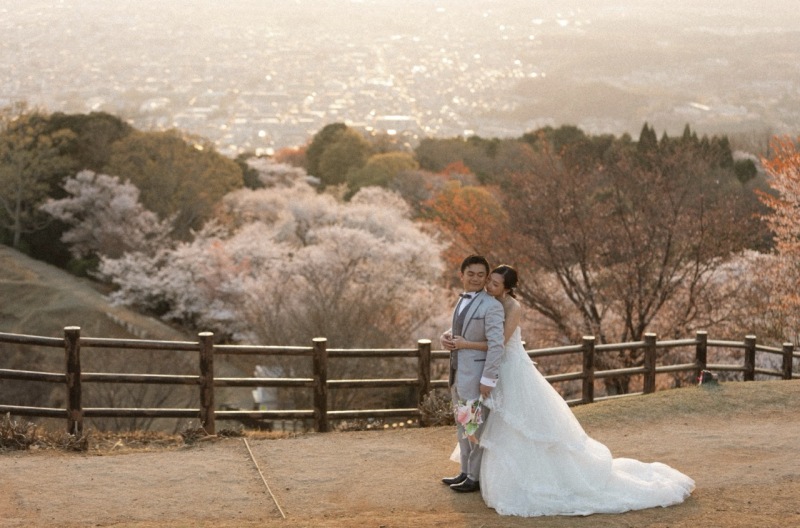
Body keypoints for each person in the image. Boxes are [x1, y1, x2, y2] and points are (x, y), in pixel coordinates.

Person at [451, 264, 695, 516]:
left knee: (519, 422)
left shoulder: (512, 307)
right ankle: (472, 472)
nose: (488, 285)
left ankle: (523, 479)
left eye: (494, 283)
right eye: (488, 280)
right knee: (485, 420)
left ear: (508, 288)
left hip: (511, 369)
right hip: (491, 369)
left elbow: (498, 343)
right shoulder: (486, 301)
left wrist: (465, 344)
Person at [439, 255, 505, 493]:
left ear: (486, 277)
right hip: (458, 374)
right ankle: (464, 471)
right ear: (462, 275)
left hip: (477, 377)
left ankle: (474, 477)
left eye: (481, 275)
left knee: (474, 427)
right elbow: (462, 327)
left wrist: (488, 379)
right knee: (463, 424)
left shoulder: (492, 305)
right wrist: (445, 336)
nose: (476, 279)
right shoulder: (462, 301)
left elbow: (497, 344)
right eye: (471, 274)